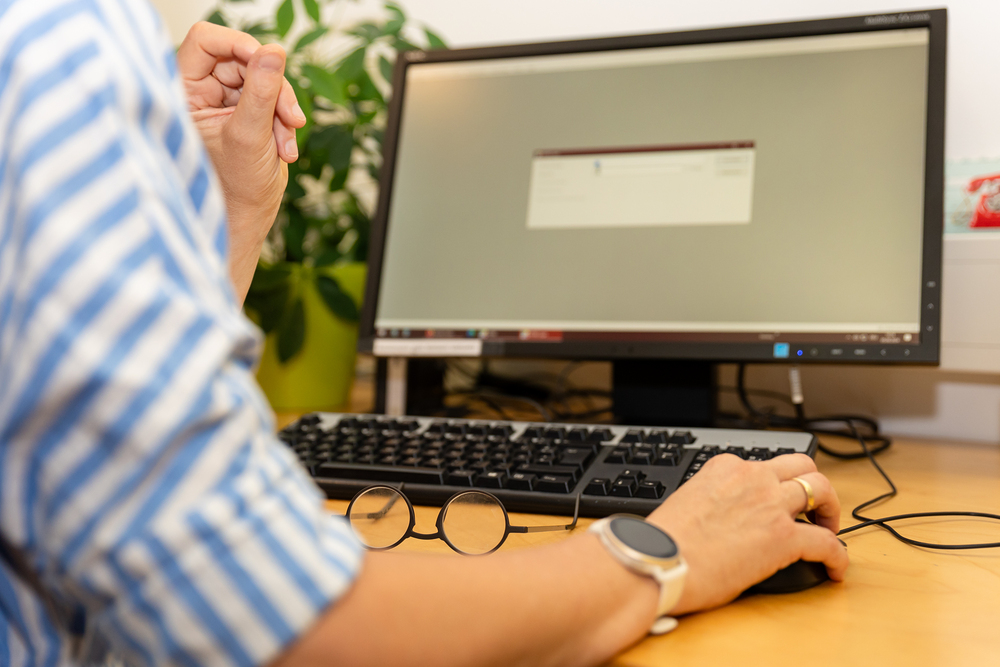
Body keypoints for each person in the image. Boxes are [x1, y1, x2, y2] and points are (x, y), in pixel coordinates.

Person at [0, 1, 849, 665]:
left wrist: (233, 211)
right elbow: (283, 619)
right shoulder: (54, 43)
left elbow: (87, 456)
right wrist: (668, 550)